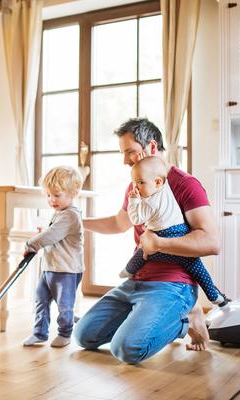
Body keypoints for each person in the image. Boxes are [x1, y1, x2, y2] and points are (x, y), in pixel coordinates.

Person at [73, 117, 220, 363]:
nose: (124, 160)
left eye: (130, 152)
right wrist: (76, 222)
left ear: (152, 147)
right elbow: (119, 223)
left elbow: (210, 242)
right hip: (136, 280)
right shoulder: (137, 184)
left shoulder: (186, 185)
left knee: (127, 349)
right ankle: (151, 316)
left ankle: (187, 318)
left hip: (173, 283)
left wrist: (161, 244)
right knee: (83, 336)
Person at [119, 156, 226, 306]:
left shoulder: (150, 202)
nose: (135, 188)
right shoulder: (166, 186)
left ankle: (128, 270)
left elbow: (136, 219)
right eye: (134, 183)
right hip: (179, 231)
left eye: (140, 183)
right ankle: (215, 296)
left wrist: (134, 201)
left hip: (162, 238)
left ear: (157, 182)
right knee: (198, 269)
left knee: (142, 254)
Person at [22, 166, 84, 348]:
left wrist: (31, 244)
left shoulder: (71, 215)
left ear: (72, 193)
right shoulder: (59, 213)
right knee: (40, 299)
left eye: (56, 195)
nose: (51, 200)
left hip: (66, 270)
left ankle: (65, 333)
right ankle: (39, 333)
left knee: (64, 305)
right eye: (48, 195)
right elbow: (53, 233)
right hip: (50, 267)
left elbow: (51, 235)